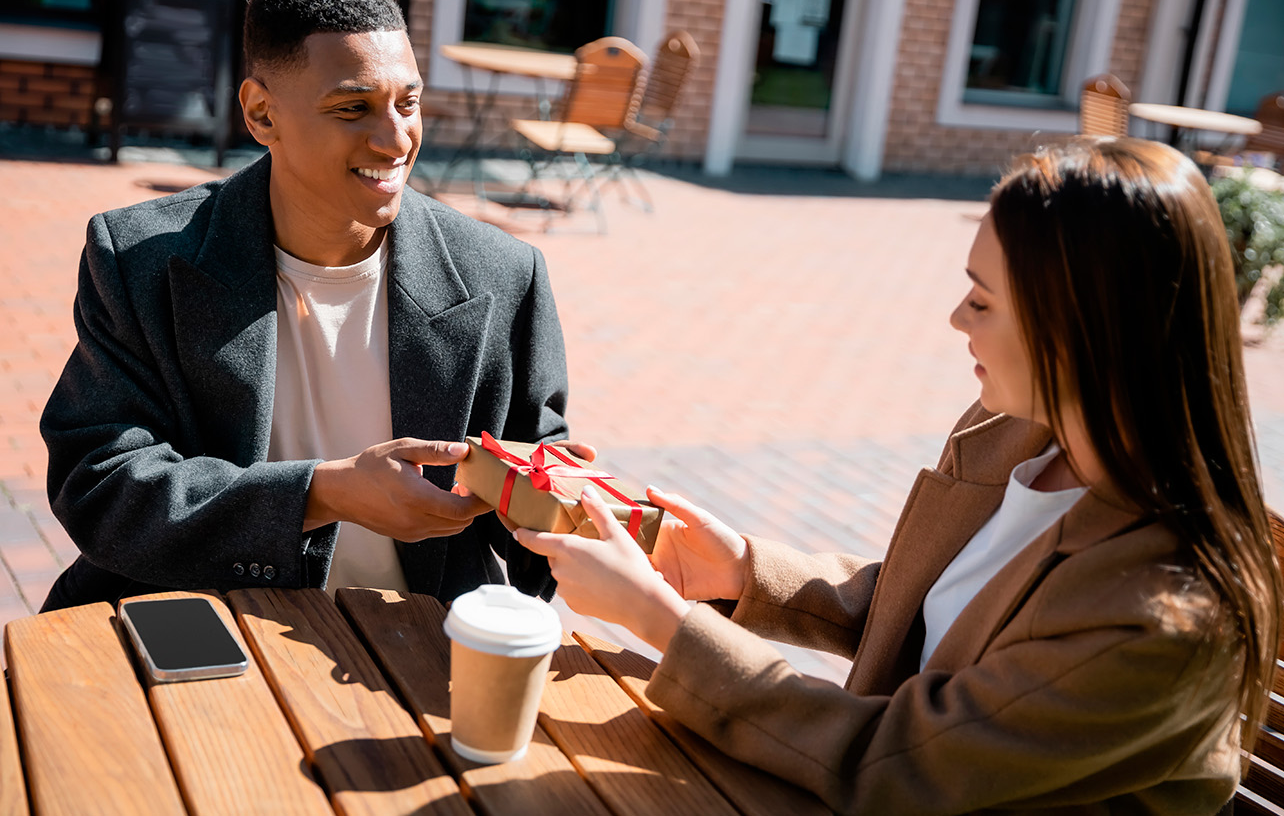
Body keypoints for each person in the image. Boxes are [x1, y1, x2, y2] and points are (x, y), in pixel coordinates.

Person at [515, 136, 1283, 814]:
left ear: (1082, 327)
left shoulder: (1162, 613)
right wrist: (748, 574)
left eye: (982, 299)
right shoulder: (1018, 432)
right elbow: (944, 609)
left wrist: (661, 620)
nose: (956, 318)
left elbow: (894, 763)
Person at [39, 0, 576, 611]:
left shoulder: (504, 272)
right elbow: (101, 483)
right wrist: (322, 493)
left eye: (408, 102)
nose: (395, 138)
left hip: (422, 637)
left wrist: (571, 510)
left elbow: (538, 488)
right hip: (204, 620)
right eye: (354, 108)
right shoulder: (139, 259)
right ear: (262, 114)